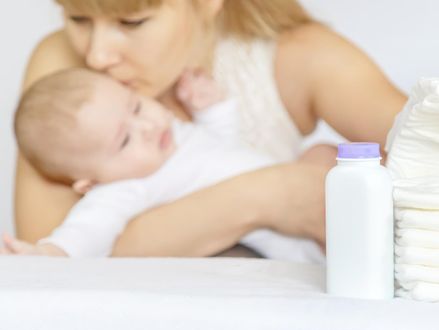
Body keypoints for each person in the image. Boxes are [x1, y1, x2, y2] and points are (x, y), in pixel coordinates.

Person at [25, 0, 439, 258]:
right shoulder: (65, 71)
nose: (96, 54)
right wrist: (276, 193)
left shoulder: (302, 57)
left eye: (132, 21)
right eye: (76, 17)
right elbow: (57, 257)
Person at [4, 67, 326, 262]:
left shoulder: (168, 136)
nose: (146, 127)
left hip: (300, 209)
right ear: (91, 184)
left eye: (136, 107)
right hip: (301, 246)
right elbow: (85, 232)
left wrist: (213, 110)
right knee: (325, 164)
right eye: (124, 140)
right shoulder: (121, 189)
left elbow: (223, 150)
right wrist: (47, 254)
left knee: (323, 153)